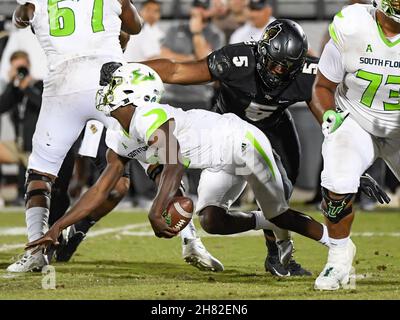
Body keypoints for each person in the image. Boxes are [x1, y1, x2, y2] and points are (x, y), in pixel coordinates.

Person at [26, 63, 333, 268]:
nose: (106, 89)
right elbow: (101, 189)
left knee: (279, 212)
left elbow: (173, 166)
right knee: (212, 221)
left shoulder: (148, 115)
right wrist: (57, 227)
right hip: (218, 164)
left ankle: (338, 248)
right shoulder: (121, 132)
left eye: (115, 84)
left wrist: (155, 210)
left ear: (131, 91)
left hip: (242, 143)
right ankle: (270, 223)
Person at [7, 0, 144, 273]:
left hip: (67, 88)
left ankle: (61, 236)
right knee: (157, 158)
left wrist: (21, 16)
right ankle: (190, 239)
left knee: (46, 174)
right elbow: (134, 27)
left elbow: (23, 16)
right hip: (99, 86)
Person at [310, 1, 398, 290]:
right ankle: (338, 257)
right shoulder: (353, 25)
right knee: (337, 181)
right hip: (357, 120)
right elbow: (322, 87)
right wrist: (329, 117)